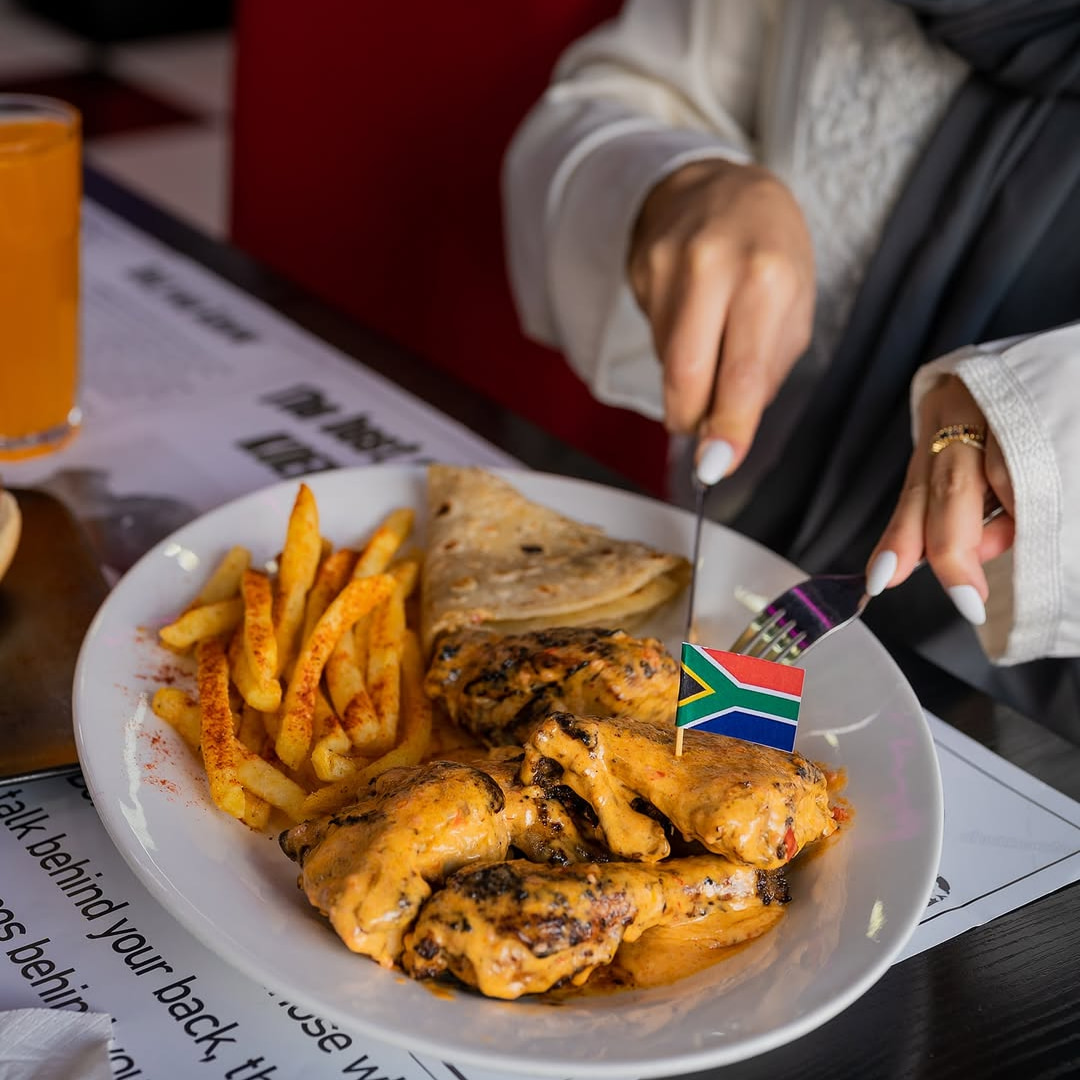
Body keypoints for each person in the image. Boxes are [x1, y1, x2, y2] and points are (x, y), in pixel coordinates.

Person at [501, 0, 1080, 730]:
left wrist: (1040, 416)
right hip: (708, 590)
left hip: (1031, 734)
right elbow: (611, 102)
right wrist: (675, 185)